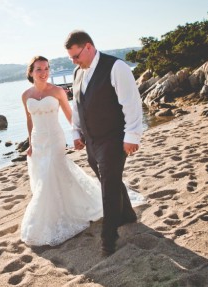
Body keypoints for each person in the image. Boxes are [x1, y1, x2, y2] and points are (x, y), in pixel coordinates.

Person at [19, 56, 142, 247]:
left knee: (53, 172)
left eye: (46, 69)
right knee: (44, 176)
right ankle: (53, 212)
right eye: (39, 69)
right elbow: (29, 119)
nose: (44, 73)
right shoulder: (26, 95)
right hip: (38, 140)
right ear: (31, 72)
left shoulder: (58, 91)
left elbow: (72, 115)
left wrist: (79, 135)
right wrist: (30, 143)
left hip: (55, 139)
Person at [64, 30, 144, 255]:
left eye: (76, 56)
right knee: (109, 179)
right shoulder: (77, 72)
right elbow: (78, 105)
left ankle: (109, 238)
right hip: (91, 140)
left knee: (108, 186)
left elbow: (131, 103)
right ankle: (127, 215)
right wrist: (76, 133)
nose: (73, 61)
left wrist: (132, 136)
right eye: (71, 57)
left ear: (88, 47)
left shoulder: (116, 67)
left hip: (113, 137)